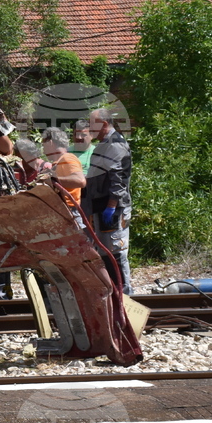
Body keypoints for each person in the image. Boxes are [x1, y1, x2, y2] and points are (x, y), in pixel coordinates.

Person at [83, 108, 133, 294]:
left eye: (91, 124)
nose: (89, 128)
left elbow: (118, 179)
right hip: (101, 207)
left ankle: (124, 296)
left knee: (115, 254)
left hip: (112, 208)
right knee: (106, 253)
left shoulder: (115, 145)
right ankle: (115, 294)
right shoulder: (105, 144)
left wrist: (111, 207)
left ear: (103, 124)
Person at [41, 126, 87, 204]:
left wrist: (51, 179)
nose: (44, 151)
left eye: (44, 146)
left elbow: (81, 181)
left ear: (50, 143)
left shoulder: (68, 158)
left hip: (70, 211)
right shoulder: (59, 162)